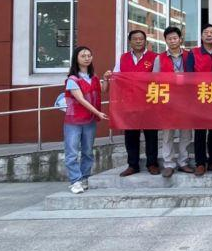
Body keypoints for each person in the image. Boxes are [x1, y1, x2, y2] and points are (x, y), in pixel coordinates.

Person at [104, 30, 158, 177]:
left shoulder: (155, 57)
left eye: (141, 39)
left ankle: (152, 164)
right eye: (135, 39)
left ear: (146, 41)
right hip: (129, 103)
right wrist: (109, 76)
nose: (138, 41)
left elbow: (160, 79)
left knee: (151, 135)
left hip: (149, 102)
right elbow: (116, 78)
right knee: (131, 135)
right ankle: (133, 165)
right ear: (130, 42)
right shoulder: (123, 58)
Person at [64, 46, 109, 194]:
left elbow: (103, 89)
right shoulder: (72, 79)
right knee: (72, 152)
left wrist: (106, 79)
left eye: (89, 55)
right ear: (76, 59)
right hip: (74, 121)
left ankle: (85, 178)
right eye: (83, 56)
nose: (87, 58)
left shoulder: (93, 77)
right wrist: (98, 113)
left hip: (89, 121)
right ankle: (75, 181)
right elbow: (81, 100)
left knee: (88, 151)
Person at [152, 26, 191, 178]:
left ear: (180, 39)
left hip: (186, 100)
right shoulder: (159, 58)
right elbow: (154, 79)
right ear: (166, 41)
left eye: (175, 38)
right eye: (170, 39)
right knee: (168, 133)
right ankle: (168, 164)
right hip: (168, 100)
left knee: (186, 133)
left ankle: (183, 162)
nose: (173, 41)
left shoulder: (189, 56)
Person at [185, 23, 212, 176]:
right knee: (200, 132)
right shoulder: (193, 53)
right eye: (205, 32)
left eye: (211, 32)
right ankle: (200, 163)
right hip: (199, 97)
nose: (208, 35)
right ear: (201, 36)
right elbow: (188, 75)